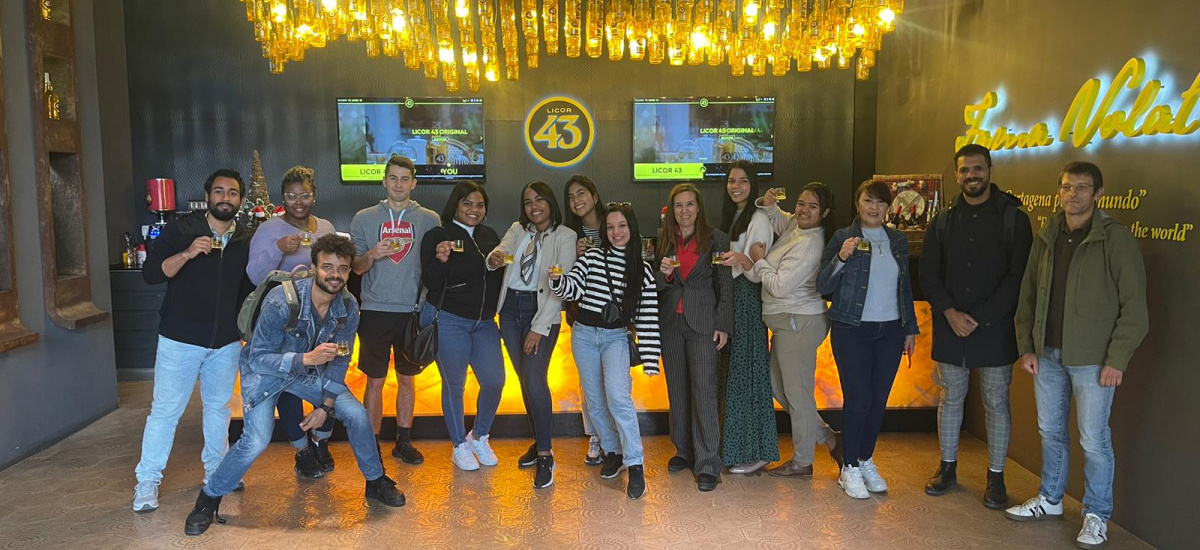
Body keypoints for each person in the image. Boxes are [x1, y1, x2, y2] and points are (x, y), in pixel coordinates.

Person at [184, 235, 405, 536]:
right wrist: (305, 358)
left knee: (355, 413)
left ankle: (376, 481)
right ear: (314, 267)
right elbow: (259, 357)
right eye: (327, 266)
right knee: (256, 439)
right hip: (266, 375)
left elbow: (340, 360)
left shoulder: (349, 307)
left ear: (350, 271)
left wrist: (326, 406)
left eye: (342, 268)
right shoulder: (281, 301)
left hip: (306, 371)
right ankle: (208, 499)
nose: (335, 274)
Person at [1006, 162, 1148, 550]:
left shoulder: (1115, 239)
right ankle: (1051, 499)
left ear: (1098, 194)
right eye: (1067, 187)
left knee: (1093, 440)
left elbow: (1135, 309)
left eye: (1082, 188)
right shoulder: (1048, 234)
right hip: (1047, 355)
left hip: (1094, 360)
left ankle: (1097, 514)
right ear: (1059, 192)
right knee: (1051, 432)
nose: (1073, 194)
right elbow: (1028, 295)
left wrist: (1116, 359)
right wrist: (1028, 346)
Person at [133, 169, 254, 513]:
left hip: (226, 342)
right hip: (179, 339)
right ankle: (147, 481)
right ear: (208, 196)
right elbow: (152, 274)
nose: (225, 198)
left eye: (232, 193)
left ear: (240, 201)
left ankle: (216, 473)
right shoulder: (181, 229)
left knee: (218, 409)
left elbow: (246, 291)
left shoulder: (244, 238)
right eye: (219, 191)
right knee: (165, 412)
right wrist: (187, 253)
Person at [920, 144, 1032, 508]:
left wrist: (981, 316)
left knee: (997, 402)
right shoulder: (942, 219)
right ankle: (947, 468)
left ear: (990, 170)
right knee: (950, 398)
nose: (972, 175)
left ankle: (996, 478)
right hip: (950, 325)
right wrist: (950, 313)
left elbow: (1019, 277)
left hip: (995, 326)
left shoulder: (1014, 217)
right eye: (965, 170)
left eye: (978, 169)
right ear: (956, 174)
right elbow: (928, 273)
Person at [816, 180, 919, 500]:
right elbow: (822, 284)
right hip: (851, 329)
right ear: (857, 203)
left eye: (880, 203)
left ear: (889, 208)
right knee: (858, 399)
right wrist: (841, 258)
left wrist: (910, 328)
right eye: (868, 201)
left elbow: (905, 287)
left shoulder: (897, 240)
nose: (874, 207)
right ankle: (848, 468)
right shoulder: (841, 238)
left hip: (889, 331)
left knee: (878, 400)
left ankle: (864, 459)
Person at [550, 202, 661, 499]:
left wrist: (650, 359)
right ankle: (612, 451)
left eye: (622, 226)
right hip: (584, 335)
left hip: (615, 338)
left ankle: (635, 462)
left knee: (618, 396)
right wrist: (559, 281)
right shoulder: (593, 258)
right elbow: (572, 288)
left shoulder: (643, 269)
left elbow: (648, 316)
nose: (616, 232)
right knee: (595, 400)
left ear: (631, 228)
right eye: (610, 227)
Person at [245, 165, 340, 479]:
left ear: (314, 195)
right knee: (288, 386)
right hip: (283, 323)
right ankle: (302, 450)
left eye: (305, 195)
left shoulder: (325, 226)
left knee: (326, 381)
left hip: (321, 320)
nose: (298, 201)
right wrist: (277, 250)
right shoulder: (269, 230)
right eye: (291, 196)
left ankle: (322, 442)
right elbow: (254, 275)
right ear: (282, 197)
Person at [747, 182, 842, 477]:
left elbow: (778, 285)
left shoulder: (811, 244)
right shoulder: (796, 227)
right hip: (786, 323)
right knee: (779, 388)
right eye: (801, 203)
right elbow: (780, 217)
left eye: (812, 207)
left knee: (798, 396)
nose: (803, 210)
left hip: (799, 322)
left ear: (824, 213)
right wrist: (769, 201)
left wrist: (758, 260)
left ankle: (803, 461)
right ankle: (830, 438)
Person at [486, 182, 577, 488]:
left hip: (541, 312)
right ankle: (539, 440)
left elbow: (558, 286)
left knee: (536, 379)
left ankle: (545, 453)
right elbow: (502, 250)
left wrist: (539, 328)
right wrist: (495, 258)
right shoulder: (517, 229)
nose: (533, 206)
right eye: (527, 202)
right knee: (525, 380)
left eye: (539, 199)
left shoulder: (566, 236)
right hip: (510, 309)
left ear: (550, 201)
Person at [349, 155, 439, 465]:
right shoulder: (363, 218)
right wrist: (373, 254)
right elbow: (357, 269)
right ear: (384, 181)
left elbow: (435, 265)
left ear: (414, 183)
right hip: (374, 309)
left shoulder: (430, 219)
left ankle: (403, 441)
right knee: (374, 381)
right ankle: (371, 443)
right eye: (393, 178)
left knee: (407, 379)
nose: (398, 184)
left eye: (405, 179)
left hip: (412, 310)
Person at [419, 182, 506, 471]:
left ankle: (479, 435)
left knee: (495, 381)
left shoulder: (490, 235)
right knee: (455, 385)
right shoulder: (438, 235)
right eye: (468, 203)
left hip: (484, 323)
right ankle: (458, 445)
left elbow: (496, 275)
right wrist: (441, 259)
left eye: (480, 204)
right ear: (456, 204)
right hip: (449, 319)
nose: (474, 209)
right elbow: (430, 282)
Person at [654, 183, 733, 492]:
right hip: (671, 323)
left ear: (698, 208)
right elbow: (657, 285)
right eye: (678, 206)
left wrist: (723, 324)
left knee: (704, 392)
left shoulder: (716, 240)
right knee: (678, 390)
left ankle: (708, 462)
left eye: (689, 204)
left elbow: (724, 285)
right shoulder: (664, 239)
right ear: (672, 210)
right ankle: (684, 451)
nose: (684, 211)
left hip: (703, 323)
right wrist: (664, 274)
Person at [715, 161, 779, 476]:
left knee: (750, 375)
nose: (736, 186)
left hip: (749, 302)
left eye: (742, 181)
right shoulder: (737, 217)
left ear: (752, 185)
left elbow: (758, 271)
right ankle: (738, 449)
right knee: (737, 375)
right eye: (731, 181)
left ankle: (756, 452)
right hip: (734, 300)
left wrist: (742, 260)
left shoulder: (759, 218)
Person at [562, 174, 605, 465]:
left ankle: (613, 436)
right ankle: (596, 437)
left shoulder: (616, 224)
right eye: (571, 197)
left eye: (581, 194)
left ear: (594, 196)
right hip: (583, 316)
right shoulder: (569, 235)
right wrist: (574, 258)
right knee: (589, 383)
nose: (577, 201)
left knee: (615, 383)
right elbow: (562, 279)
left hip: (614, 316)